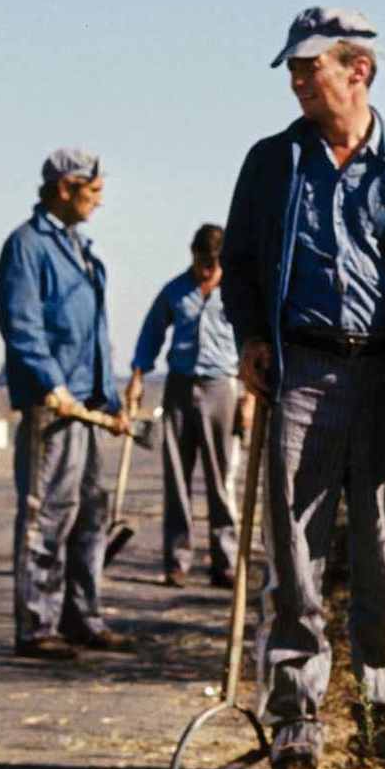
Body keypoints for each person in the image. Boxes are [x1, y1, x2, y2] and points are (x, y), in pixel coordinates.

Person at [221, 7, 385, 769]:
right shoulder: (271, 164)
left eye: (309, 67)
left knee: (382, 556)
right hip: (302, 377)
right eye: (292, 70)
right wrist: (254, 338)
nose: (296, 81)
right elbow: (245, 270)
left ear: (357, 70)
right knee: (293, 554)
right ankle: (295, 721)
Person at [0, 147, 133, 662]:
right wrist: (52, 386)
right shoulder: (27, 247)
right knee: (47, 515)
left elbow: (96, 335)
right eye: (92, 192)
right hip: (54, 407)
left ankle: (83, 616)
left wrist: (113, 401)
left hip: (90, 406)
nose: (98, 201)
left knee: (91, 516)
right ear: (63, 188)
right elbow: (22, 325)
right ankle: (37, 625)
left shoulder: (82, 251)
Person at [126, 223, 248, 588]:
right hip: (178, 387)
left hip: (221, 388)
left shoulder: (237, 293)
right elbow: (151, 334)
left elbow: (252, 343)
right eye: (199, 262)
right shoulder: (175, 291)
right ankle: (177, 561)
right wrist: (137, 376)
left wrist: (250, 397)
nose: (205, 270)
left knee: (220, 480)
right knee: (177, 478)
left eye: (211, 263)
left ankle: (224, 561)